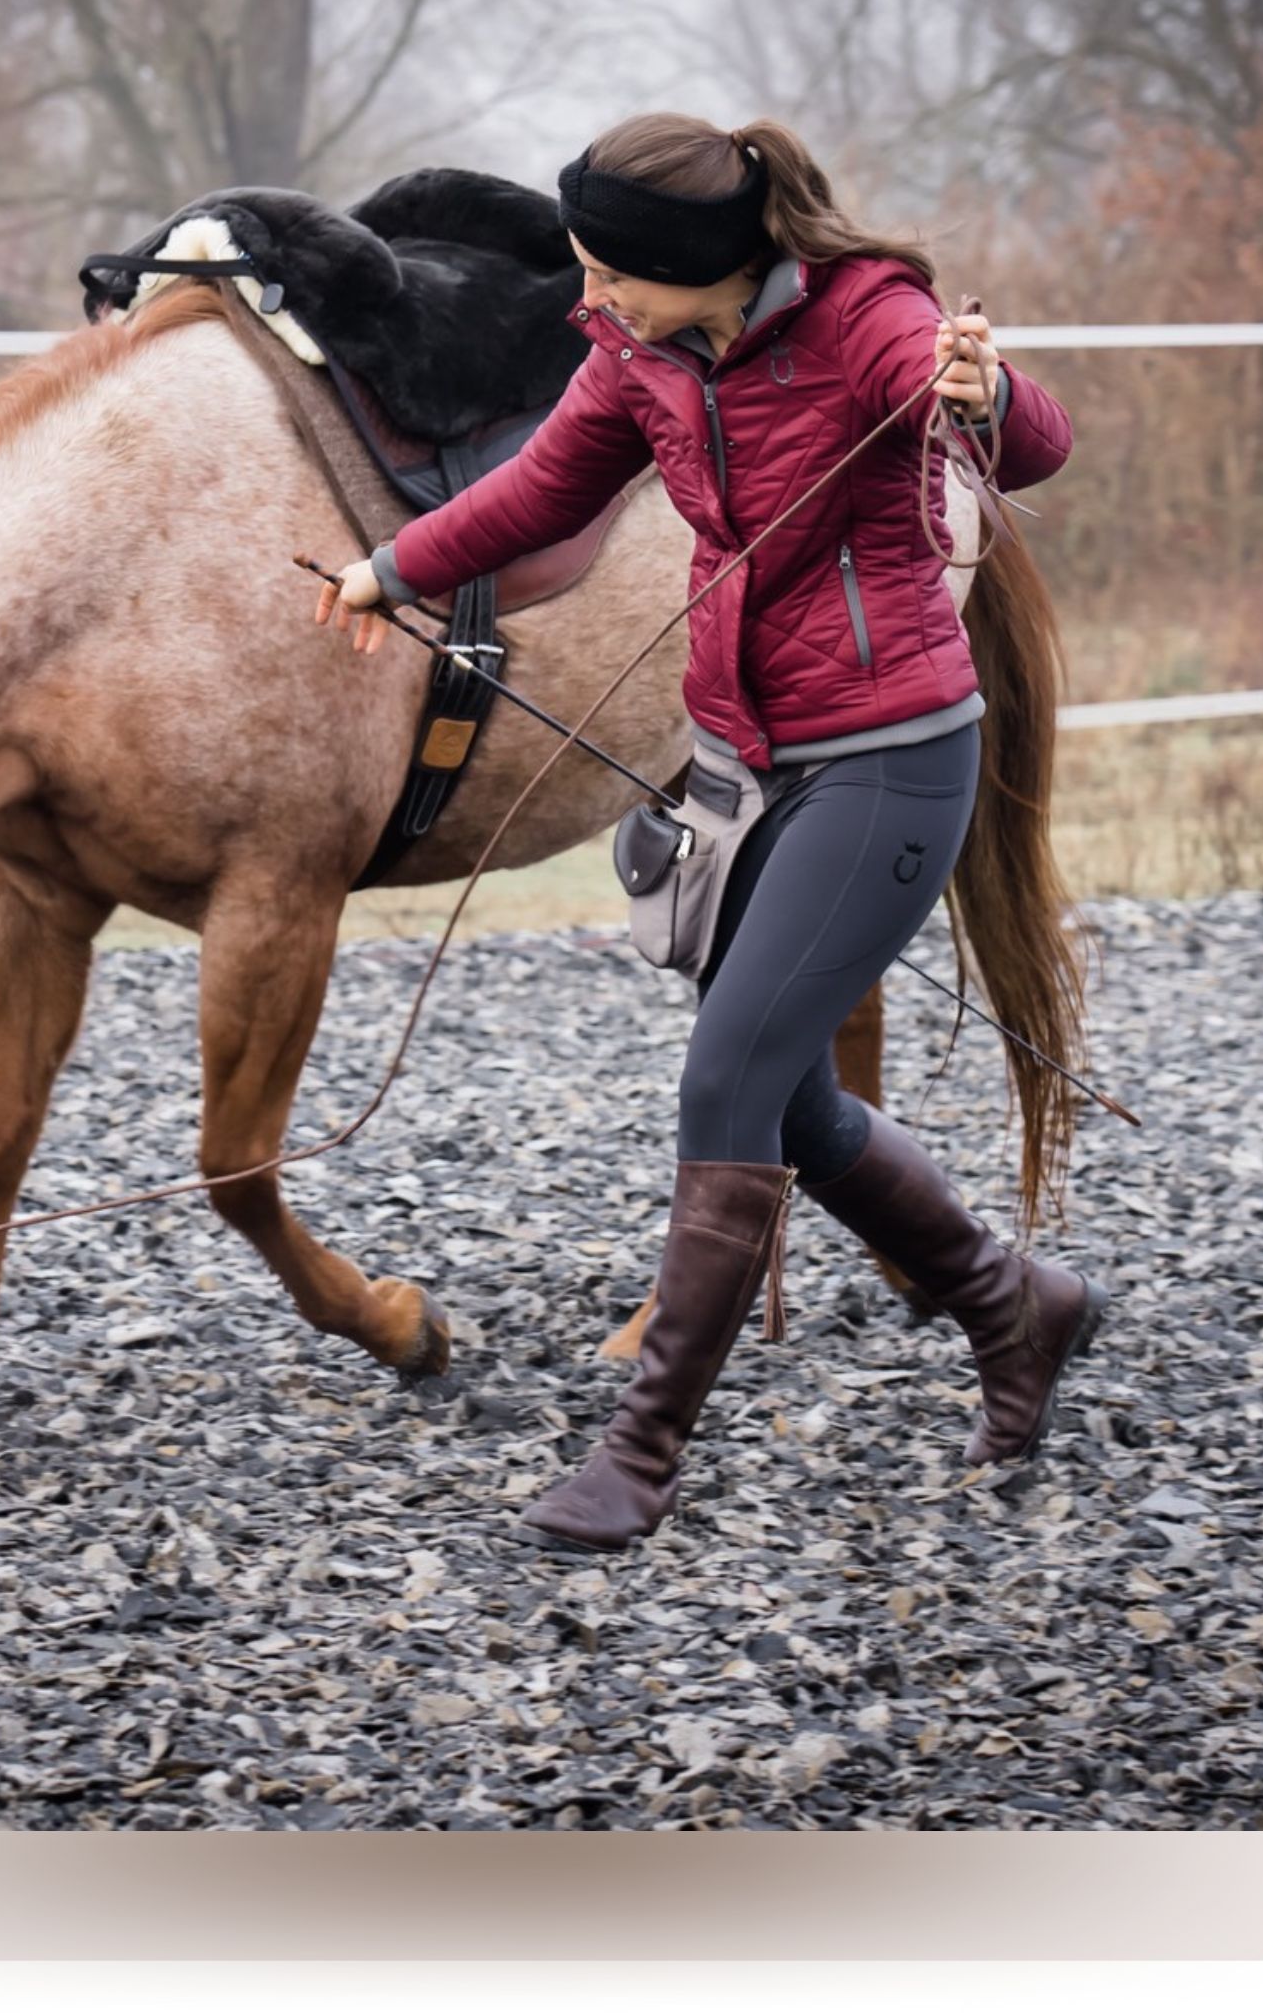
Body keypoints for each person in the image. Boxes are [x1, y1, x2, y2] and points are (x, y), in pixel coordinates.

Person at [315, 112, 1107, 1553]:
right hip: (737, 762)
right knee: (786, 1098)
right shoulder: (643, 356)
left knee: (726, 1082)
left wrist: (982, 397)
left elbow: (1030, 447)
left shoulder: (874, 322)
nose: (587, 302)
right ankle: (1013, 1301)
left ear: (697, 264)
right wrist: (389, 570)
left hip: (889, 759)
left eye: (610, 275)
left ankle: (642, 1455)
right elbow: (542, 490)